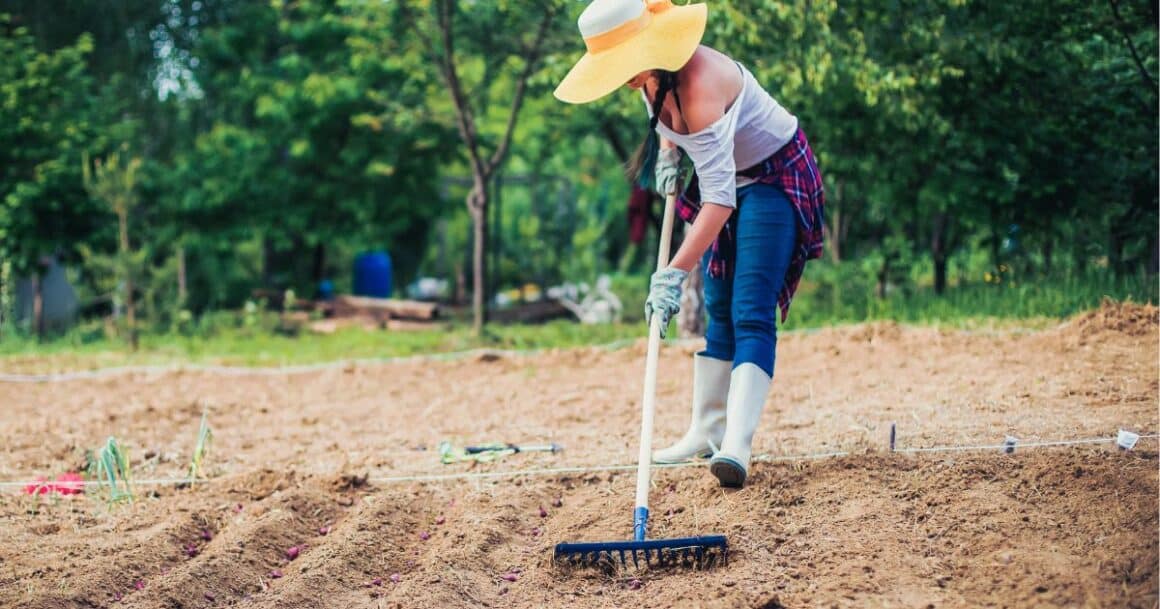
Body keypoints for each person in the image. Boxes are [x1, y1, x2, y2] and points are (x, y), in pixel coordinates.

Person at [555, 0, 824, 488]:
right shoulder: (650, 78)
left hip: (772, 177)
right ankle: (705, 430)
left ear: (649, 46)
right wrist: (669, 153)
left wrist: (674, 272)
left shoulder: (699, 84)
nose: (621, 76)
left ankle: (736, 445)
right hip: (724, 180)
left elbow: (719, 201)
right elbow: (673, 130)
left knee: (750, 307)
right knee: (718, 306)